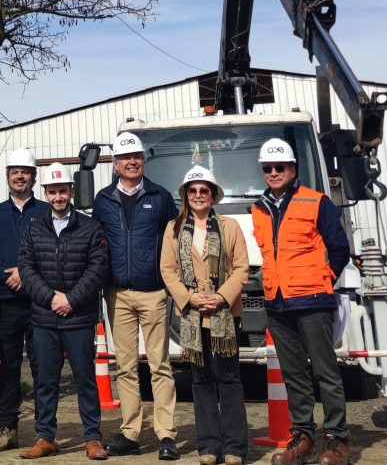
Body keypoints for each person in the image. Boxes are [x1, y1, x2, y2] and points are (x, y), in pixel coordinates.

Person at [251, 139, 352, 465]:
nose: (274, 173)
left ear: (293, 169)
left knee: (326, 373)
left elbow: (339, 249)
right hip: (277, 303)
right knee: (293, 375)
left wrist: (322, 281)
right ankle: (303, 437)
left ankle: (337, 441)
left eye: (280, 167)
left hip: (312, 301)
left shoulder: (317, 202)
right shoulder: (259, 208)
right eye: (268, 168)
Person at [93, 132, 179, 461]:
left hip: (154, 292)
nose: (132, 161)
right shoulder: (103, 200)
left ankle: (166, 433)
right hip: (116, 294)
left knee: (160, 365)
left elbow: (173, 243)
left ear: (143, 161)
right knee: (125, 367)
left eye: (137, 156)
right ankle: (130, 432)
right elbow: (96, 246)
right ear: (115, 164)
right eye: (126, 157)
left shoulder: (160, 197)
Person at [17, 163, 110, 461]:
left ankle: (93, 438)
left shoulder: (90, 227)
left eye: (62, 191)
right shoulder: (33, 229)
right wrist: (50, 298)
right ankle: (45, 437)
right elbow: (27, 270)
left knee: (85, 378)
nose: (58, 197)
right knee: (45, 380)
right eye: (52, 191)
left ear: (71, 191)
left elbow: (98, 269)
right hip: (44, 318)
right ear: (45, 194)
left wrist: (70, 298)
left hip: (78, 317)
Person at [160, 166, 249, 465]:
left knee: (229, 378)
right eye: (193, 190)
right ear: (186, 195)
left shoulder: (230, 226)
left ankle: (235, 447)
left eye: (204, 190)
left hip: (224, 313)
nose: (199, 195)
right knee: (201, 381)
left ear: (212, 195)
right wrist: (189, 298)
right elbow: (168, 270)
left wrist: (221, 296)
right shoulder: (173, 228)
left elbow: (241, 268)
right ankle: (209, 446)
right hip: (192, 317)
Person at [0, 149, 48, 452]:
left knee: (43, 366)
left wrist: (26, 273)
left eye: (25, 171)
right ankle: (7, 428)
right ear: (8, 177)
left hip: (39, 302)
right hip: (5, 302)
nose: (20, 176)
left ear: (33, 176)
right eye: (14, 172)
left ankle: (45, 432)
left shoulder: (46, 212)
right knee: (7, 365)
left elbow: (53, 249)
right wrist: (8, 277)